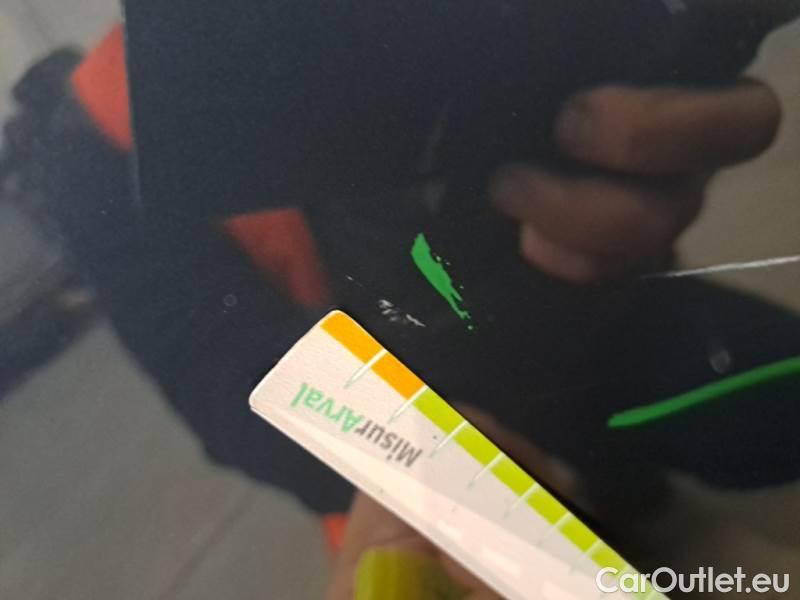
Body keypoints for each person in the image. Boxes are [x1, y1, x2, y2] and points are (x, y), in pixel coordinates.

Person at [6, 1, 800, 541]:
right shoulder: (93, 145)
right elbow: (226, 389)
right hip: (413, 466)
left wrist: (659, 74)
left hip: (603, 328)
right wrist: (435, 460)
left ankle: (622, 478)